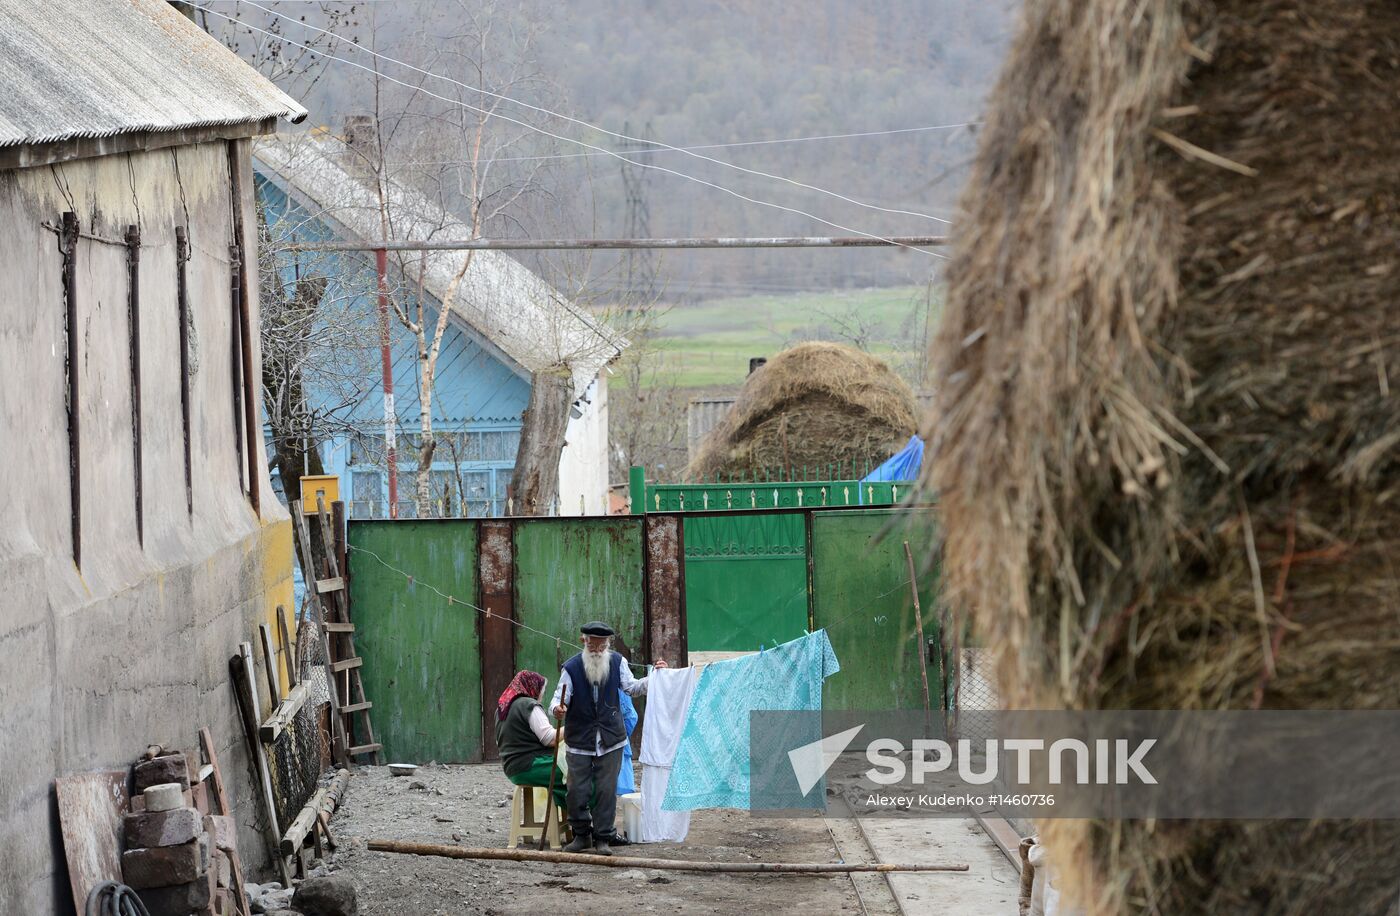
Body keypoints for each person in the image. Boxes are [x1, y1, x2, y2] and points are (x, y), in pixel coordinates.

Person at [550, 621, 666, 855]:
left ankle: (603, 837)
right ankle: (582, 835)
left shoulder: (617, 662)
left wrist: (656, 676)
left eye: (602, 646)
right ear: (584, 641)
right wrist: (557, 709)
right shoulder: (571, 668)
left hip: (611, 737)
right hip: (580, 739)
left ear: (608, 644)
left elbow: (632, 688)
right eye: (592, 645)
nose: (597, 651)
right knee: (576, 790)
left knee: (606, 790)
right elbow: (558, 698)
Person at [494, 670, 566, 811]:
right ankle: (585, 819)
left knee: (571, 777)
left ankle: (570, 812)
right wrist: (574, 728)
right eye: (542, 691)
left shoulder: (502, 708)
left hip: (512, 768)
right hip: (531, 766)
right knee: (579, 771)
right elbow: (550, 739)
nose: (541, 696)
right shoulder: (528, 705)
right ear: (533, 687)